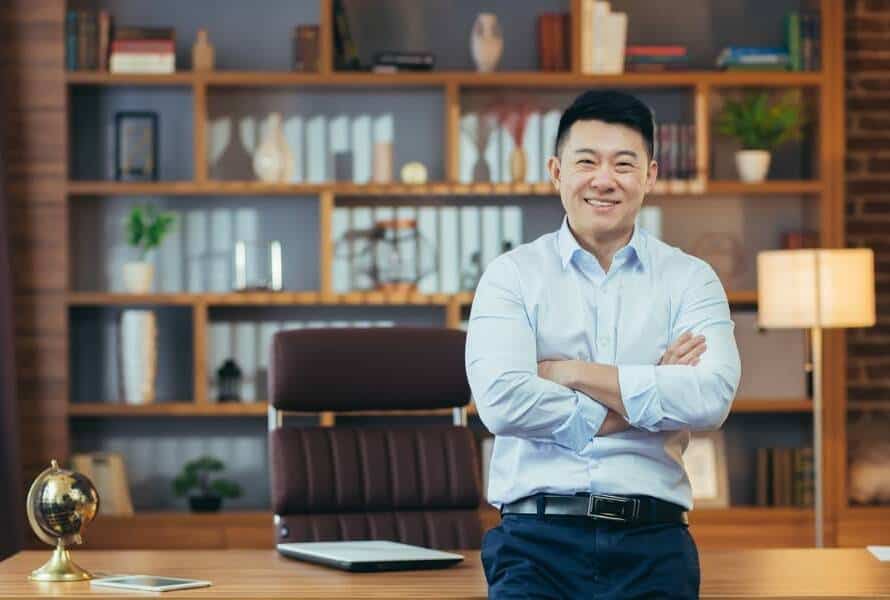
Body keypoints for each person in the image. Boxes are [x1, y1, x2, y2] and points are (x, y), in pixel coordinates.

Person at [466, 89, 741, 599]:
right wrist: (653, 384)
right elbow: (502, 405)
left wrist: (571, 371)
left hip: (654, 547)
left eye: (623, 164)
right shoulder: (511, 277)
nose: (604, 179)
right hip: (534, 546)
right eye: (587, 161)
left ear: (650, 176)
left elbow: (710, 399)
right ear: (556, 172)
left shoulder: (690, 280)